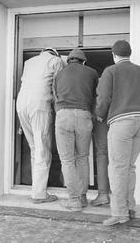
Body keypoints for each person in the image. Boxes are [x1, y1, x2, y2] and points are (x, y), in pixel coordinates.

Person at [95, 40, 140, 226]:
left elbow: (103, 97)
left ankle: (119, 214)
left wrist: (100, 114)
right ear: (129, 53)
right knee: (129, 167)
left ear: (114, 55)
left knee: (117, 168)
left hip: (122, 123)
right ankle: (130, 208)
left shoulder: (111, 71)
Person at [16, 47, 64, 204]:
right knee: (42, 148)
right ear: (55, 53)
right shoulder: (56, 61)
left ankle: (36, 189)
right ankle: (39, 194)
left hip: (21, 104)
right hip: (40, 103)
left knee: (35, 149)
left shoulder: (29, 62)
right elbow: (57, 88)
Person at [54, 48, 98, 211]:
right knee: (83, 157)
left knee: (67, 160)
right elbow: (96, 96)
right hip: (83, 115)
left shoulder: (60, 74)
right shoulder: (92, 73)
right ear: (83, 61)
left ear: (69, 60)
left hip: (64, 115)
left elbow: (56, 96)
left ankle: (73, 200)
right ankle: (82, 197)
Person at [90, 120, 110, 206]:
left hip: (103, 118)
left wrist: (98, 113)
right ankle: (119, 195)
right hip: (119, 117)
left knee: (102, 154)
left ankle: (103, 194)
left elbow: (101, 106)